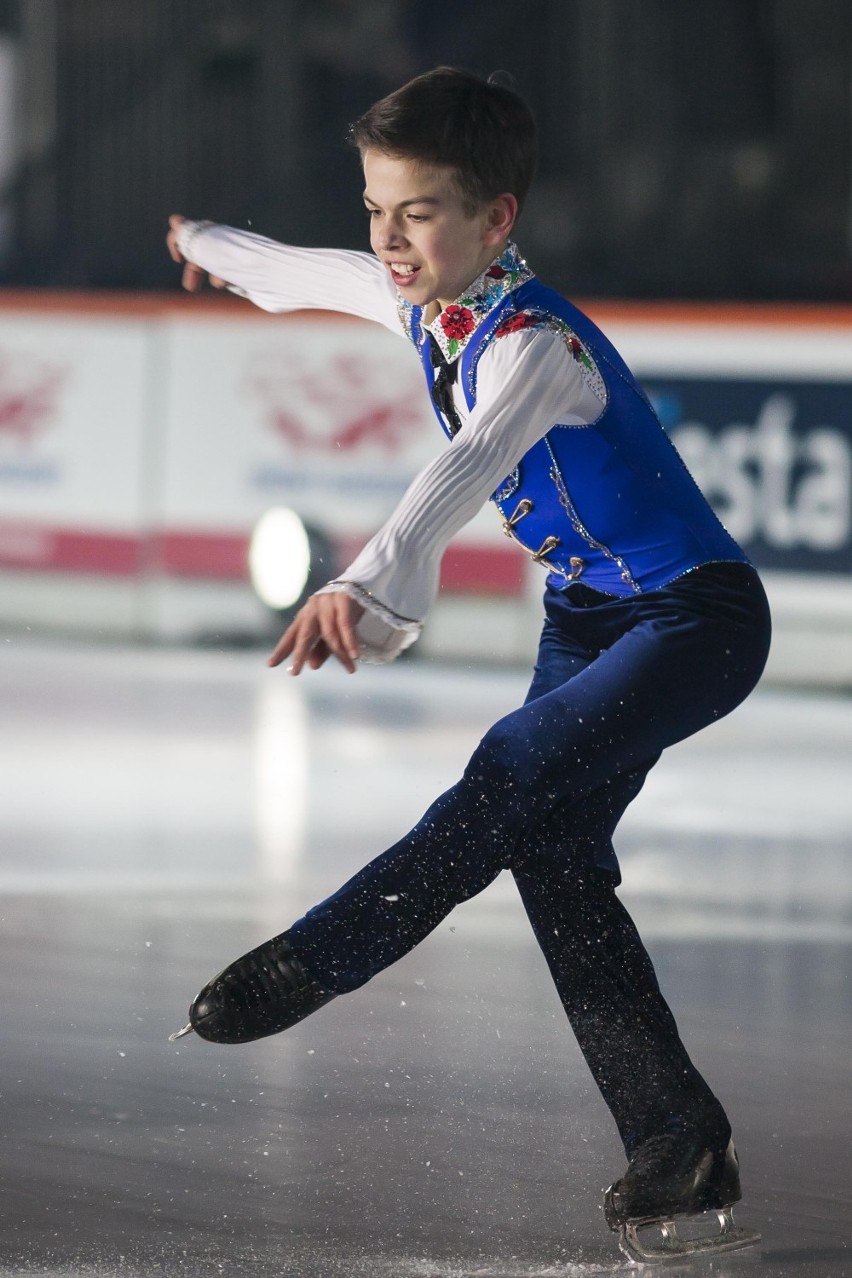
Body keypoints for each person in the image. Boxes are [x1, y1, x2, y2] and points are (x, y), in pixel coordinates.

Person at [166, 67, 770, 1262]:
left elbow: (466, 463)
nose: (388, 241)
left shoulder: (535, 345)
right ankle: (675, 1136)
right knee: (553, 859)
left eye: (419, 214)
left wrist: (366, 578)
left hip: (694, 621)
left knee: (510, 767)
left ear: (496, 219)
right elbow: (296, 271)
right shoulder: (423, 300)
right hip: (590, 617)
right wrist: (205, 242)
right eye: (375, 210)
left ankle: (318, 959)